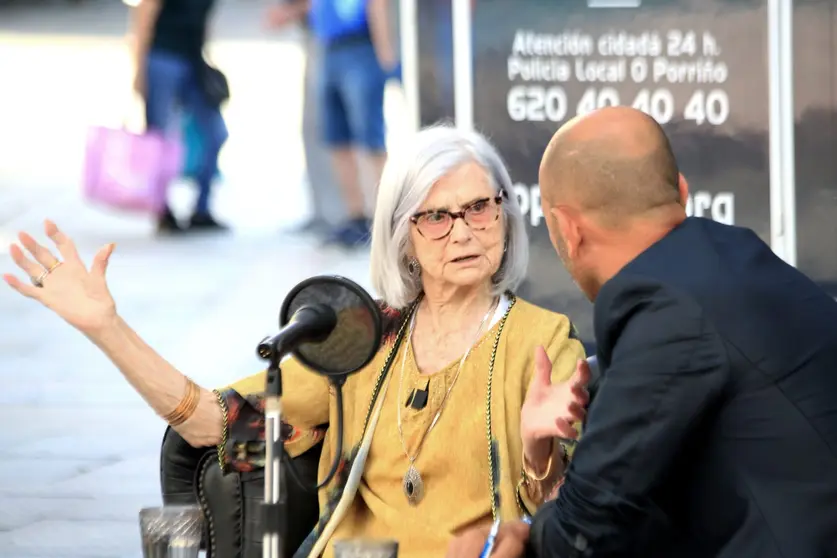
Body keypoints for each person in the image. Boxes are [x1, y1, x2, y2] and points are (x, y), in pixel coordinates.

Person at [3, 126, 590, 558]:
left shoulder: (541, 340)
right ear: (403, 237)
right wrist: (107, 328)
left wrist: (538, 448)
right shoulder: (365, 334)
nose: (463, 231)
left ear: (504, 217)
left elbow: (568, 520)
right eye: (435, 216)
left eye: (480, 208)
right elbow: (214, 422)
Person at [447, 106, 837, 557]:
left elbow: (584, 531)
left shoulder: (668, 310)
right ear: (682, 193)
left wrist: (513, 536)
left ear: (570, 232)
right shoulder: (728, 262)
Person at [269, 0, 398, 248]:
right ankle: (355, 216)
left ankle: (387, 219)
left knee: (371, 139)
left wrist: (385, 54)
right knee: (338, 140)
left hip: (359, 46)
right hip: (329, 48)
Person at [130, 0, 229, 233]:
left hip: (193, 59)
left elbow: (204, 20)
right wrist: (139, 68)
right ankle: (162, 210)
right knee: (159, 138)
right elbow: (144, 16)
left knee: (215, 133)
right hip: (163, 57)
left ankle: (201, 209)